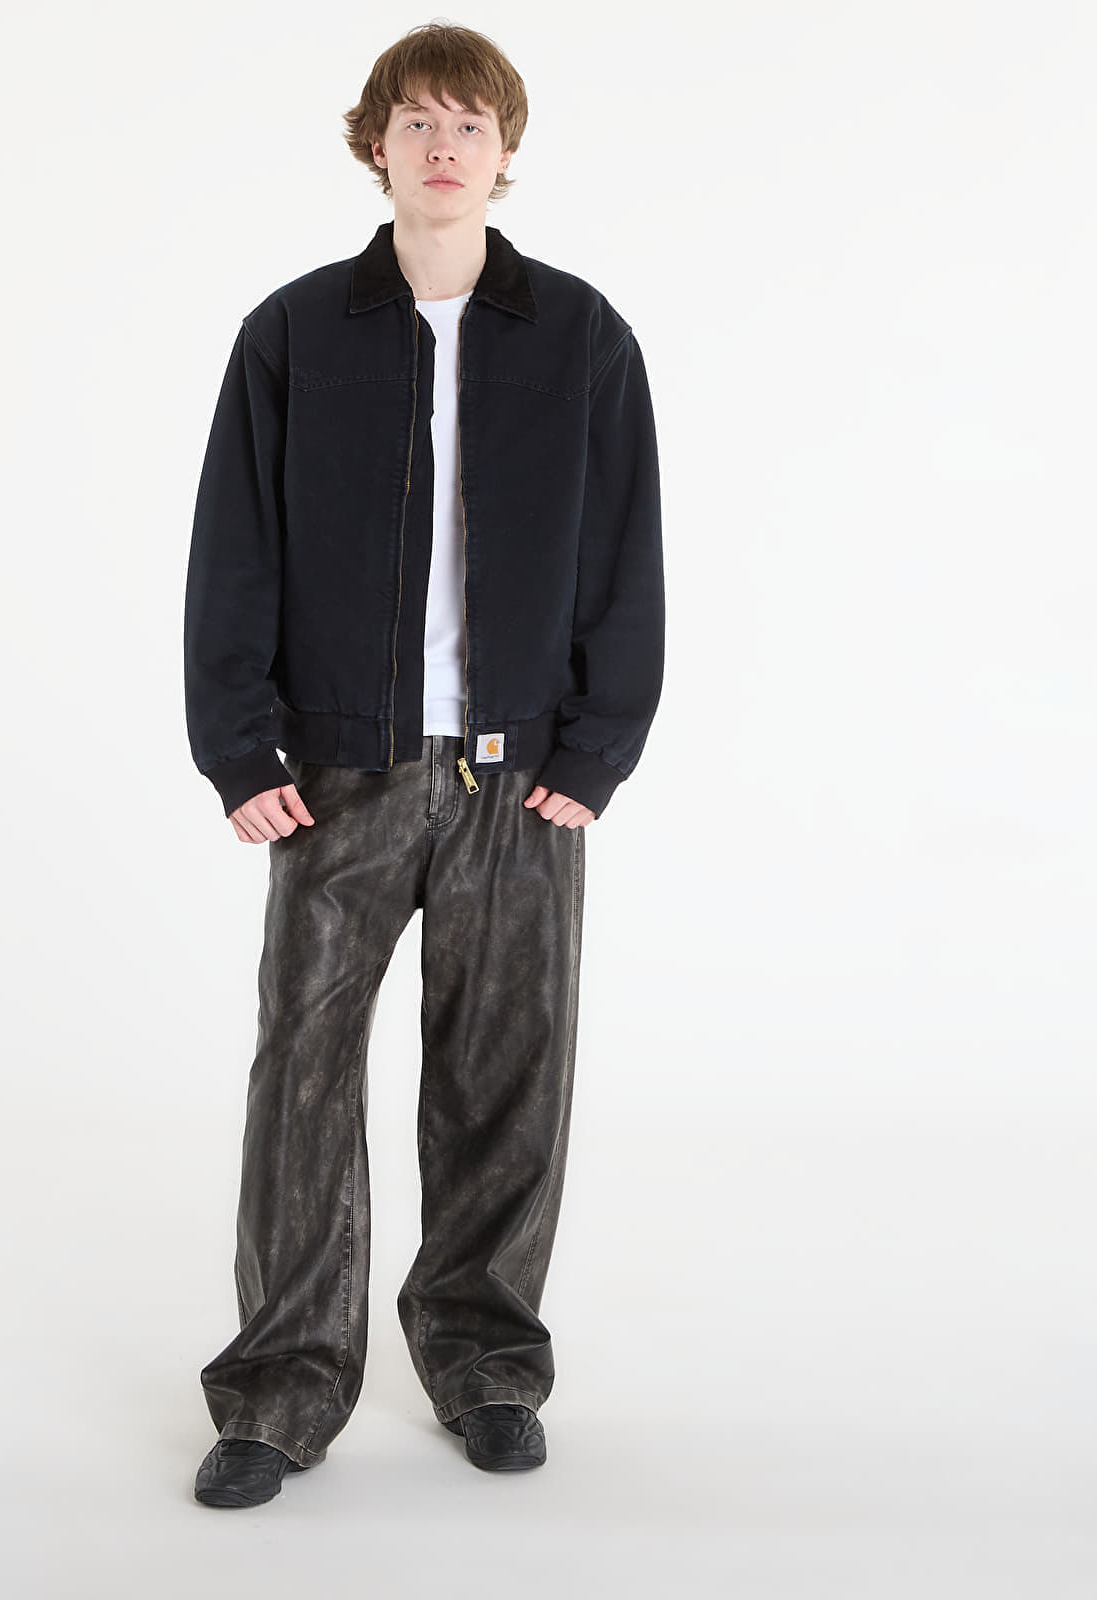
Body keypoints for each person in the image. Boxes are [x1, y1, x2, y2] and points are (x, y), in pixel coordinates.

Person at [183, 21, 664, 1509]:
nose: (442, 146)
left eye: (469, 123)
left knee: (505, 1078)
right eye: (416, 121)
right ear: (375, 144)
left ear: (505, 151)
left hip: (523, 778)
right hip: (337, 771)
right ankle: (280, 1391)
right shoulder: (295, 332)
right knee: (303, 1075)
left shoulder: (579, 335)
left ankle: (486, 1364)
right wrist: (238, 744)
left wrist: (599, 744)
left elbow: (626, 552)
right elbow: (233, 547)